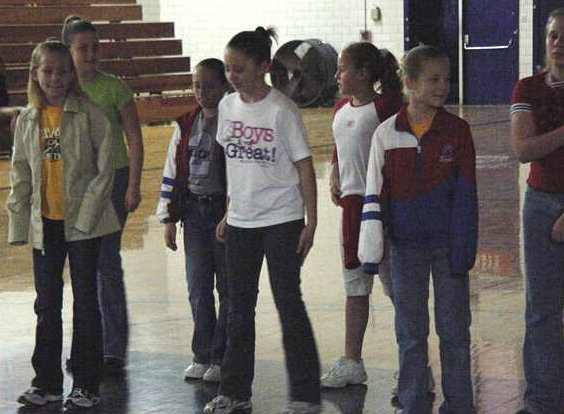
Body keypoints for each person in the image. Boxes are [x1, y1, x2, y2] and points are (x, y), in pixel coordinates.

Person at [203, 27, 321, 414]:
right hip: (241, 222)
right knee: (238, 308)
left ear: (263, 67)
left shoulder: (282, 111)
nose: (232, 76)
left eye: (239, 69)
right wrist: (229, 211)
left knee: (288, 303)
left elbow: (304, 167)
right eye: (228, 69)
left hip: (282, 219)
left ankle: (305, 394)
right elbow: (233, 164)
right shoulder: (227, 107)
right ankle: (235, 391)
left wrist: (311, 221)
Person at [359, 45, 478, 414]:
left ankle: (459, 405)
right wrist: (372, 250)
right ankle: (412, 403)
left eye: (446, 79)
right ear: (410, 83)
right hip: (404, 249)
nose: (443, 86)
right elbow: (374, 194)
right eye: (433, 79)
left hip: (449, 249)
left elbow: (467, 195)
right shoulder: (385, 134)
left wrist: (464, 249)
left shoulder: (458, 131)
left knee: (455, 333)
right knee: (410, 334)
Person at [7, 40, 119, 409]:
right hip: (46, 225)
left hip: (85, 226)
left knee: (85, 303)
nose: (55, 78)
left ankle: (86, 384)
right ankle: (47, 383)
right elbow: (21, 172)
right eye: (48, 71)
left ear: (72, 74)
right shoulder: (27, 120)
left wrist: (85, 219)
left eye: (63, 70)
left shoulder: (89, 114)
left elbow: (105, 170)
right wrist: (18, 224)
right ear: (34, 75)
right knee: (46, 304)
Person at [62, 15, 144, 374]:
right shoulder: (61, 90)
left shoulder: (114, 88)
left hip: (112, 182)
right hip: (76, 187)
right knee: (82, 269)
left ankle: (113, 349)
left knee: (106, 263)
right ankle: (87, 346)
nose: (92, 54)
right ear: (69, 52)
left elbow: (134, 138)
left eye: (96, 47)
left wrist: (134, 184)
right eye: (83, 48)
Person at [321, 42, 402, 389]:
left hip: (381, 209)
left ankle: (414, 363)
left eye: (342, 69)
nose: (337, 75)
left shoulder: (385, 107)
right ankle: (353, 361)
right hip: (351, 210)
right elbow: (341, 148)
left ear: (363, 74)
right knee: (355, 287)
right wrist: (335, 173)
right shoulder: (340, 108)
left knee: (397, 290)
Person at [156, 58, 230, 383]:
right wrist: (169, 218)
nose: (202, 92)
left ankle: (221, 357)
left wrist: (232, 213)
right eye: (197, 85)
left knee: (227, 289)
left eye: (209, 85)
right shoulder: (185, 125)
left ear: (224, 86)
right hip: (194, 216)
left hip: (224, 215)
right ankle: (202, 354)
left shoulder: (231, 123)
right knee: (198, 287)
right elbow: (172, 171)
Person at [510, 8, 564, 414]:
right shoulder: (527, 88)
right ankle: (542, 400)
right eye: (553, 36)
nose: (559, 44)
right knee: (541, 308)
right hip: (541, 204)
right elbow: (524, 149)